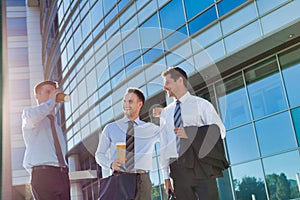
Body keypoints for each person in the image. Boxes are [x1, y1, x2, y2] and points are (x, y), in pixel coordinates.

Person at [159, 66, 227, 200]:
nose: (164, 87)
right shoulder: (165, 113)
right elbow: (164, 146)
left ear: (179, 81)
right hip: (177, 169)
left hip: (201, 165)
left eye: (167, 82)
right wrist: (166, 176)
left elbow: (220, 132)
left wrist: (191, 133)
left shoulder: (202, 105)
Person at [95, 87, 160, 200]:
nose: (126, 105)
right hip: (119, 179)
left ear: (139, 104)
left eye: (130, 101)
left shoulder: (150, 129)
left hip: (141, 180)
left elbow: (170, 136)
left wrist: (164, 116)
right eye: (124, 101)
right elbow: (99, 154)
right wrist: (110, 164)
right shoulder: (111, 128)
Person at [22, 80, 70, 200]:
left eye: (53, 93)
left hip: (62, 174)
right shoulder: (29, 115)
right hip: (43, 174)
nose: (52, 95)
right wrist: (51, 101)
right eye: (48, 92)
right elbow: (34, 116)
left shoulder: (56, 125)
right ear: (37, 96)